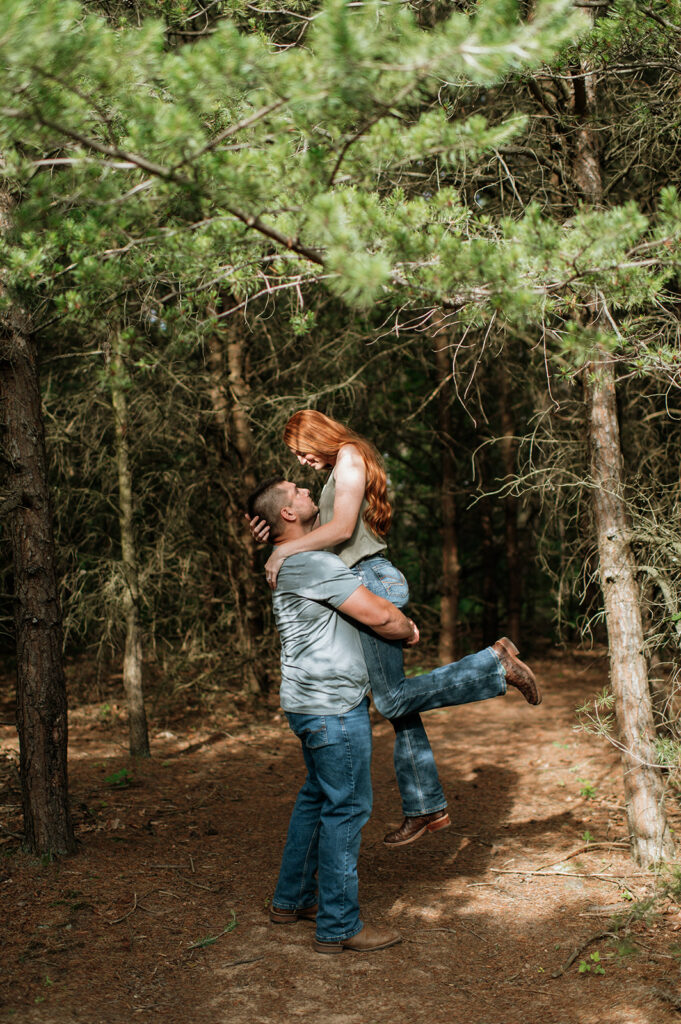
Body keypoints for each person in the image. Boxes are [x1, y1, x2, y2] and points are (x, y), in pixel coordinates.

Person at [247, 476, 540, 954]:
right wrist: (405, 630)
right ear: (287, 514)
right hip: (334, 710)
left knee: (315, 799)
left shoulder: (286, 562)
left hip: (303, 704)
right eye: (298, 492)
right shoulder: (314, 563)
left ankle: (293, 899)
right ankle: (339, 927)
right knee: (347, 810)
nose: (307, 492)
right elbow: (380, 616)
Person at [249, 410, 542, 848]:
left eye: (302, 452)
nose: (303, 462)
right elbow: (317, 530)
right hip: (362, 580)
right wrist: (276, 536)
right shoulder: (336, 471)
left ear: (317, 436)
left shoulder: (348, 457)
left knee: (391, 697)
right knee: (395, 698)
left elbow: (343, 529)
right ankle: (425, 804)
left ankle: (493, 666)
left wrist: (281, 554)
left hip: (368, 578)